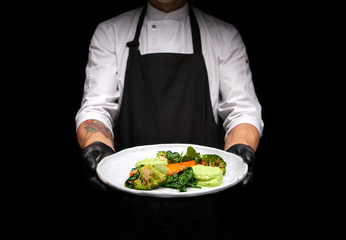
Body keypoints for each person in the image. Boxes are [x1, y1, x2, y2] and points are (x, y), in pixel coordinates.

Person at [75, 0, 263, 237]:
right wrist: (96, 146)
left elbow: (242, 110)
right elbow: (96, 107)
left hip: (205, 206)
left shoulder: (223, 35)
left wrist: (240, 150)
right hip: (128, 201)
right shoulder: (111, 32)